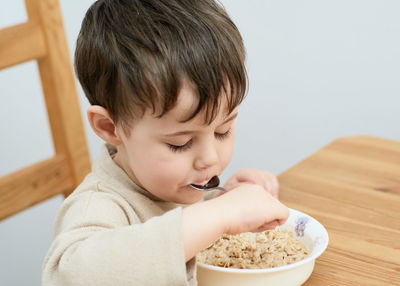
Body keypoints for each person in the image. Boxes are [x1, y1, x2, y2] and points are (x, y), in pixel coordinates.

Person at [42, 0, 289, 285]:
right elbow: (71, 274)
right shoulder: (99, 206)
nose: (210, 158)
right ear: (110, 127)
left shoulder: (172, 182)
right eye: (180, 143)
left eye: (223, 130)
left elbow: (184, 225)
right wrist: (219, 214)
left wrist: (225, 197)